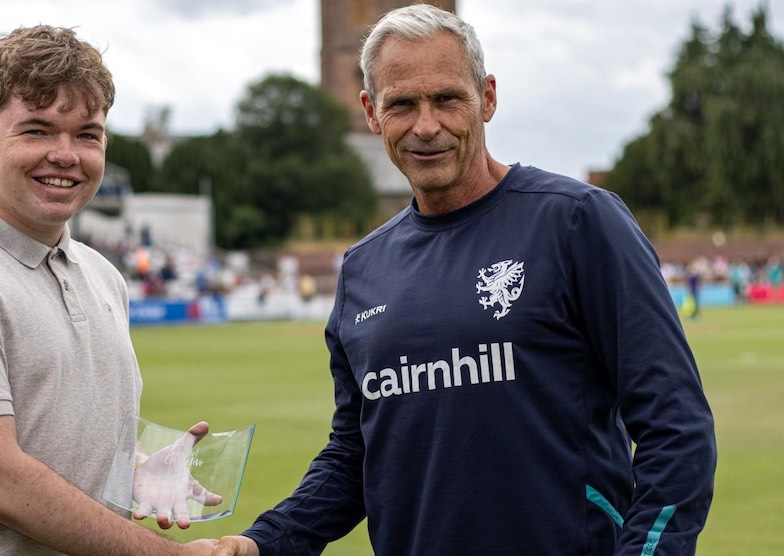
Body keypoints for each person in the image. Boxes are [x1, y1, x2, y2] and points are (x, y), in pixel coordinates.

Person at [214, 5, 716, 555]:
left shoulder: (576, 221)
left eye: (447, 99)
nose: (426, 126)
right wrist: (263, 542)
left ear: (488, 97)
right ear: (371, 112)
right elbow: (356, 453)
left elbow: (678, 426)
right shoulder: (362, 269)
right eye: (401, 104)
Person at [0, 26, 218, 555]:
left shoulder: (103, 275)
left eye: (87, 134)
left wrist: (136, 467)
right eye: (36, 131)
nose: (65, 154)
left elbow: (54, 435)